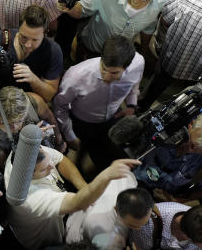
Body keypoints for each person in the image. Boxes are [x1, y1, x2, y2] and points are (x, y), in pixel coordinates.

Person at [5, 148, 138, 250]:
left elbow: (61, 160)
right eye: (45, 168)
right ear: (28, 174)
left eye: (49, 159)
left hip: (62, 214)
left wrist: (83, 187)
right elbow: (78, 203)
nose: (52, 165)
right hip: (45, 238)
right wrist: (106, 176)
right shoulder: (29, 198)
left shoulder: (26, 152)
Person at [53, 36, 145, 170]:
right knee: (80, 152)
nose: (106, 77)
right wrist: (70, 135)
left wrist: (131, 104)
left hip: (114, 117)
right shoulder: (76, 76)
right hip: (82, 123)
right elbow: (60, 106)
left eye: (114, 73)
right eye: (104, 69)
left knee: (105, 159)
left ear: (127, 67)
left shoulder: (138, 63)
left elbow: (135, 85)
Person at [0, 5, 63, 103]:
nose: (28, 45)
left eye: (35, 40)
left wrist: (33, 79)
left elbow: (49, 96)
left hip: (28, 102)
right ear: (19, 29)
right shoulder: (2, 39)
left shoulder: (53, 51)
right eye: (24, 37)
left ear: (45, 34)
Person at [134, 110, 202, 197]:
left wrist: (178, 201)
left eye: (199, 150)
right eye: (192, 144)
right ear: (191, 125)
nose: (190, 150)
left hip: (161, 193)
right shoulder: (168, 124)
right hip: (137, 170)